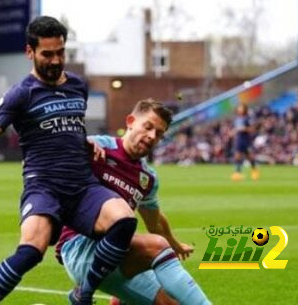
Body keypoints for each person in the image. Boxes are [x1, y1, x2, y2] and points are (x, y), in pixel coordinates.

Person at [0, 16, 137, 305]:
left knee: (124, 220)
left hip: (83, 186)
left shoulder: (77, 86)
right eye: (47, 54)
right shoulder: (21, 94)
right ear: (30, 52)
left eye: (60, 52)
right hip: (44, 187)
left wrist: (83, 142)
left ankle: (83, 293)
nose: (56, 60)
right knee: (31, 251)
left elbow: (71, 126)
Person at [56, 99, 210, 305]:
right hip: (79, 247)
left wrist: (176, 245)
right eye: (148, 127)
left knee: (171, 302)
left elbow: (154, 222)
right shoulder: (97, 147)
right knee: (158, 247)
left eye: (159, 134)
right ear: (130, 121)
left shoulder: (147, 177)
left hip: (115, 254)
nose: (151, 137)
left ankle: (116, 299)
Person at [231, 104, 259, 181]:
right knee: (237, 155)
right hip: (239, 139)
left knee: (249, 156)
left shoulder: (247, 118)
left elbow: (252, 129)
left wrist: (244, 129)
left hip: (246, 139)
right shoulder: (237, 119)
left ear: (245, 109)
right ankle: (237, 173)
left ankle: (254, 170)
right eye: (239, 107)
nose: (240, 109)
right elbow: (236, 129)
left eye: (241, 108)